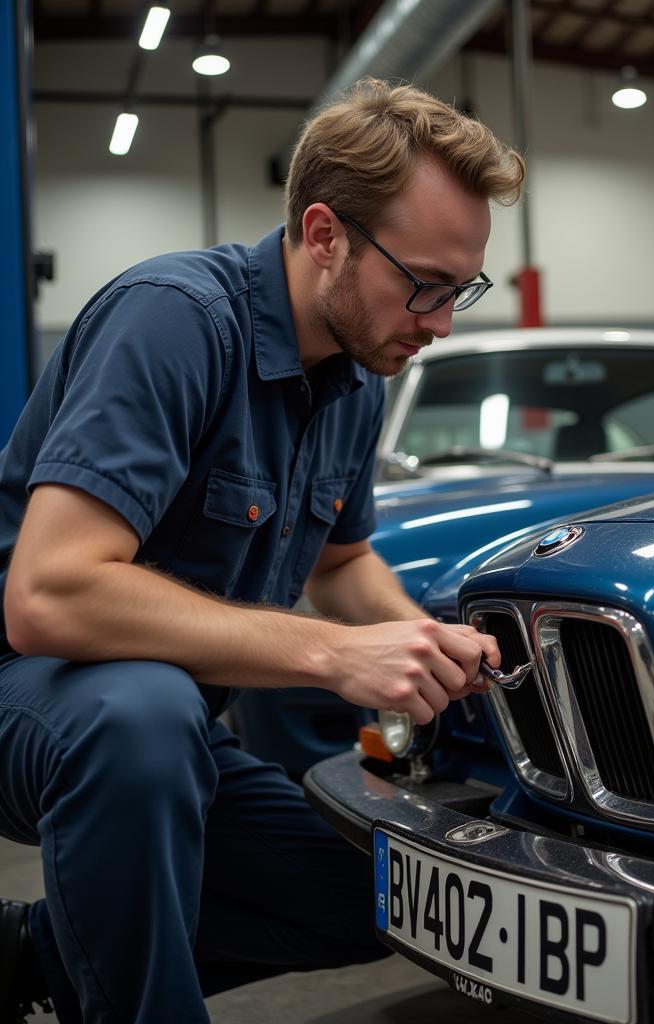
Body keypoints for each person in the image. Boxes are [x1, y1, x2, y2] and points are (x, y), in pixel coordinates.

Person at [0, 77, 524, 1023]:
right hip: (33, 696)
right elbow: (49, 596)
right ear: (324, 234)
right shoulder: (175, 322)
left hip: (170, 732)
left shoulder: (357, 378)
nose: (441, 323)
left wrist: (425, 646)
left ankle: (34, 956)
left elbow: (342, 561)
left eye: (462, 290)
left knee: (397, 898)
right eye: (424, 286)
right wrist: (330, 653)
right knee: (142, 711)